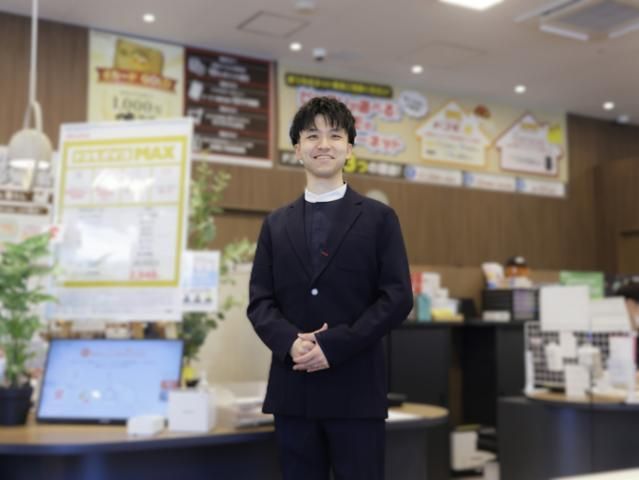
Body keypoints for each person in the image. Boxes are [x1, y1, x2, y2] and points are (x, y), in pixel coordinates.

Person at [247, 96, 413, 480]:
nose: (324, 144)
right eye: (312, 136)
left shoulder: (379, 219)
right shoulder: (275, 224)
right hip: (293, 392)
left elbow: (397, 298)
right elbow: (260, 302)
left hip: (356, 392)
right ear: (297, 150)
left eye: (335, 136)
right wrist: (290, 342)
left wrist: (333, 346)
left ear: (349, 148)